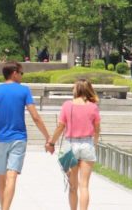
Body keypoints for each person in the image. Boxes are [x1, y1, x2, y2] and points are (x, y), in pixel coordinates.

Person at [0, 61, 52, 210]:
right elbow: (35, 116)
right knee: (12, 176)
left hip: (0, 138)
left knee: (1, 177)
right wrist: (47, 136)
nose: (22, 76)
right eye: (21, 73)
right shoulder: (24, 91)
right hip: (19, 138)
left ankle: (3, 207)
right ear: (14, 73)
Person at [47, 78, 101, 210]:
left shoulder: (67, 105)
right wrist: (94, 142)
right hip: (87, 144)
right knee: (84, 186)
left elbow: (60, 126)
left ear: (77, 89)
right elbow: (97, 128)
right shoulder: (93, 107)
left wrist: (51, 142)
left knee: (73, 186)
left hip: (70, 145)